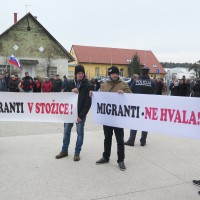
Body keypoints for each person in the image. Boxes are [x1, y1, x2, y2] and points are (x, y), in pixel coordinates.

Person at [95, 66, 132, 171]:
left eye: (116, 73)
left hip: (118, 118)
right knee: (107, 138)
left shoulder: (124, 85)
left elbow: (132, 98)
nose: (114, 75)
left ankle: (121, 160)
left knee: (120, 140)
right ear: (109, 74)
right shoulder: (104, 85)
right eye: (112, 73)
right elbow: (99, 97)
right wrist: (93, 95)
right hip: (107, 117)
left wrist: (124, 94)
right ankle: (106, 157)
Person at [55, 65, 92, 161]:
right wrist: (71, 91)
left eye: (82, 73)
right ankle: (64, 151)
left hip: (80, 114)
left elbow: (88, 103)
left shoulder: (88, 85)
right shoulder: (70, 83)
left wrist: (81, 116)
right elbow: (64, 95)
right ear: (75, 74)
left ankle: (77, 152)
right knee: (66, 132)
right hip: (69, 113)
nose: (81, 75)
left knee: (80, 133)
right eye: (79, 73)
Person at [124, 66, 157, 147]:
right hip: (147, 106)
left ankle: (131, 140)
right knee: (145, 123)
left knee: (134, 123)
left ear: (141, 72)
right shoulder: (152, 83)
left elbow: (130, 91)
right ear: (148, 72)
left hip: (136, 106)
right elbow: (155, 93)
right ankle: (143, 141)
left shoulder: (136, 81)